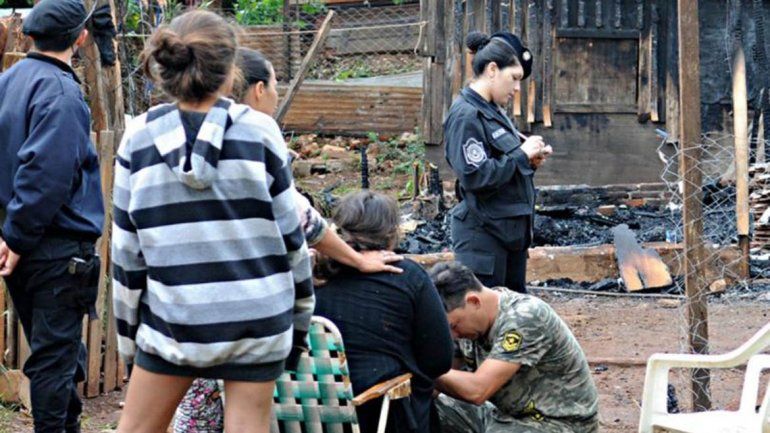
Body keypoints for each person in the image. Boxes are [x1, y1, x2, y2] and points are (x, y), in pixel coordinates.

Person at [171, 48, 404, 433]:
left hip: (189, 304)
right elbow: (300, 219)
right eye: (276, 85)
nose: (277, 94)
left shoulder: (177, 133)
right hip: (245, 307)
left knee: (197, 417)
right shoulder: (254, 136)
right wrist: (356, 260)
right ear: (259, 89)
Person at [111, 11, 313, 433]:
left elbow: (127, 253)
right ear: (230, 71)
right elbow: (290, 236)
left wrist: (131, 342)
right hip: (257, 318)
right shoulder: (260, 133)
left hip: (174, 322)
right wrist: (297, 320)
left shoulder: (137, 139)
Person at [0, 0, 103, 431]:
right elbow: (47, 174)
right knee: (54, 360)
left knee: (60, 352)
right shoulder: (60, 94)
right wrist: (20, 238)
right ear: (80, 38)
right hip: (52, 249)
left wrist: (11, 236)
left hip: (19, 243)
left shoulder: (8, 81)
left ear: (29, 35)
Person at [313, 191, 453, 433]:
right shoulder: (407, 276)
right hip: (381, 415)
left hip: (311, 413)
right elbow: (438, 360)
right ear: (391, 234)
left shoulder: (314, 274)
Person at [427, 261, 599, 433]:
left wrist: (422, 367)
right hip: (503, 416)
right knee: (426, 408)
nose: (453, 336)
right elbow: (442, 378)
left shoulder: (525, 316)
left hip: (558, 423)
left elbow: (477, 391)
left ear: (474, 301)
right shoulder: (465, 323)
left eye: (453, 326)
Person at [444, 31, 552, 293]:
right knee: (482, 323)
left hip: (507, 236)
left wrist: (530, 161)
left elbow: (501, 167)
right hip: (483, 240)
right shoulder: (467, 116)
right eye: (514, 78)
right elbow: (475, 176)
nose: (517, 88)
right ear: (492, 69)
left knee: (511, 322)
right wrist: (520, 155)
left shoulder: (492, 111)